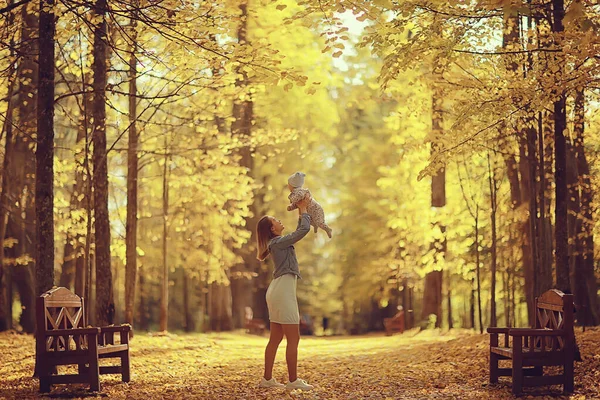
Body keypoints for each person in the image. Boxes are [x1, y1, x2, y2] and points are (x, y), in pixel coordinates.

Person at [255, 194, 315, 391]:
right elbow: (303, 230)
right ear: (273, 229)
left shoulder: (275, 243)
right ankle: (293, 381)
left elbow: (299, 230)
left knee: (276, 338)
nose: (280, 222)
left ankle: (267, 379)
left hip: (278, 290)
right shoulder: (278, 242)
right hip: (282, 292)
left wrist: (300, 208)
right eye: (277, 221)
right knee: (293, 338)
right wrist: (304, 209)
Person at [286, 171, 332, 238]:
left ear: (293, 184)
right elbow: (299, 204)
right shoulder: (296, 193)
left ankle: (328, 229)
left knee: (319, 222)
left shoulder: (300, 192)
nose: (287, 186)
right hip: (309, 210)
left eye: (288, 184)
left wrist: (291, 199)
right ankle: (315, 226)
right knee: (309, 220)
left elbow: (297, 199)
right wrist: (291, 207)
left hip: (315, 209)